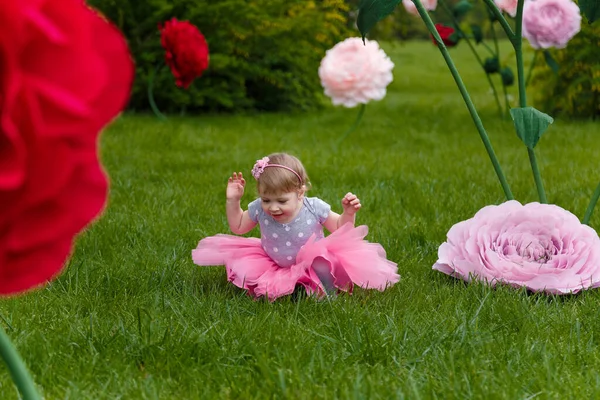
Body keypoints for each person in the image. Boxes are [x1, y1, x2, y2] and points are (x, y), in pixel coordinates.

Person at [192, 152, 399, 300]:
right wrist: (233, 201)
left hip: (311, 261)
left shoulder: (314, 207)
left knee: (322, 263)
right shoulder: (258, 208)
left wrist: (348, 213)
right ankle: (277, 288)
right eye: (266, 200)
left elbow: (340, 228)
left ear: (300, 192)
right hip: (274, 259)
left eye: (282, 201)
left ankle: (328, 295)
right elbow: (238, 226)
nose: (273, 208)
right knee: (256, 282)